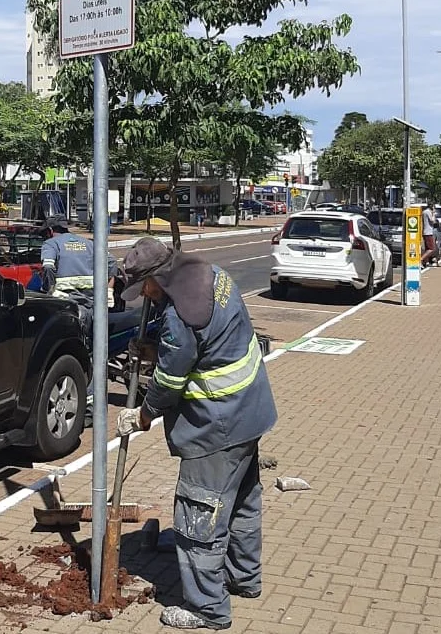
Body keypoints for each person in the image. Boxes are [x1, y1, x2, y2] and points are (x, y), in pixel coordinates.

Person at [116, 238, 277, 630]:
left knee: (197, 519)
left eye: (146, 289)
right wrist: (157, 351)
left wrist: (143, 414)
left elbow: (170, 382)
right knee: (240, 504)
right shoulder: (211, 276)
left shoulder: (177, 319)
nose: (147, 298)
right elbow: (209, 346)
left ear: (158, 279)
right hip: (250, 412)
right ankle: (244, 578)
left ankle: (208, 609)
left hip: (215, 428)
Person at [40, 214, 115, 423]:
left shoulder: (51, 244)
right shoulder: (88, 244)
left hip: (71, 310)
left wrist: (50, 290)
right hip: (94, 309)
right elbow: (113, 264)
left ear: (50, 230)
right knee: (93, 356)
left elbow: (47, 268)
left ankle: (80, 407)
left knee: (71, 358)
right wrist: (108, 291)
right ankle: (94, 408)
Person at [420, 201, 437, 267]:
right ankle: (421, 259)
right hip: (428, 232)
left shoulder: (424, 212)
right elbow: (433, 221)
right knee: (431, 248)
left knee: (427, 248)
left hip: (426, 231)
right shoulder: (428, 212)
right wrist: (433, 214)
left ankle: (426, 262)